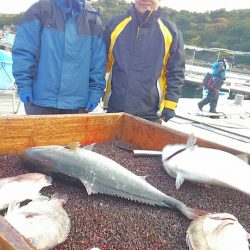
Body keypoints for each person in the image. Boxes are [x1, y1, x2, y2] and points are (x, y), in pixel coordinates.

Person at [12, 0, 106, 115]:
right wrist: (24, 85)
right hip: (40, 101)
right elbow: (24, 52)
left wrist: (95, 92)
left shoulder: (93, 20)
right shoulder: (38, 10)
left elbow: (98, 63)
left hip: (78, 105)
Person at [103, 0, 185, 123]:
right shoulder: (115, 24)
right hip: (115, 107)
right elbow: (101, 64)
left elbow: (176, 71)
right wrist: (95, 91)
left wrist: (170, 103)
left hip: (150, 112)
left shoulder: (171, 31)